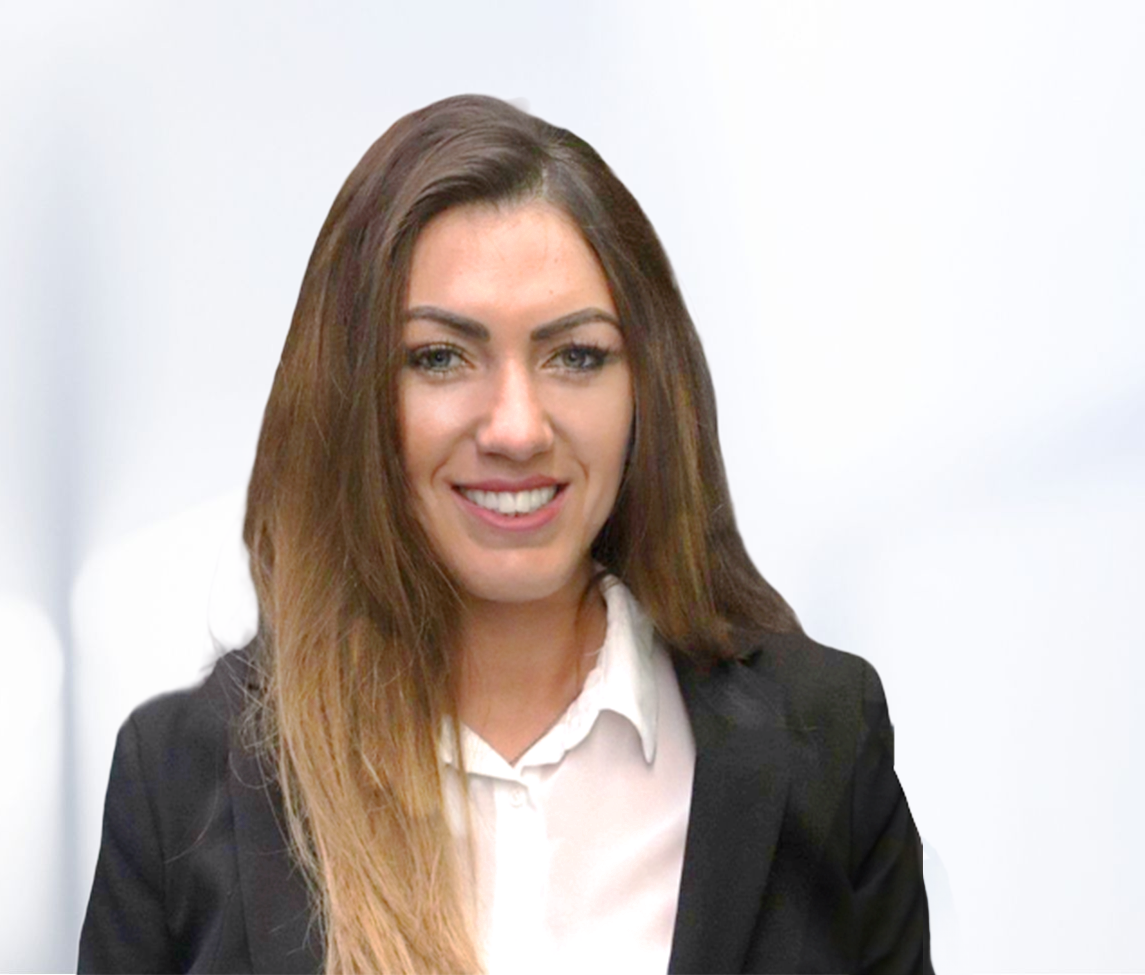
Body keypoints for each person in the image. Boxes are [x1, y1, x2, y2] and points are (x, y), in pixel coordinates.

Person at [77, 95, 931, 974]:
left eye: (577, 355)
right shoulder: (182, 780)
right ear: (351, 396)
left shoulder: (825, 739)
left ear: (647, 390)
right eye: (441, 357)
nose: (517, 428)